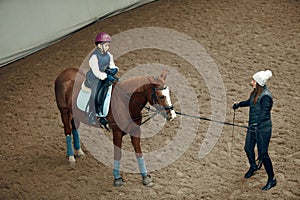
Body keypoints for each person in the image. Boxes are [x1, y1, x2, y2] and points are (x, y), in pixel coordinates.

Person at [232, 70, 276, 191]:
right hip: (253, 127)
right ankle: (253, 166)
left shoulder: (266, 96)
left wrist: (256, 124)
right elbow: (251, 103)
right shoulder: (255, 93)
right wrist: (239, 104)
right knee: (248, 148)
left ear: (257, 83)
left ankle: (272, 179)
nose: (251, 82)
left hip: (263, 129)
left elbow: (264, 112)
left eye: (253, 80)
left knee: (263, 154)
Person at [85, 32, 119, 124]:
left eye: (108, 45)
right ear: (99, 46)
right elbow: (96, 72)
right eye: (106, 45)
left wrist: (114, 70)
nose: (108, 47)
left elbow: (112, 65)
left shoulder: (109, 55)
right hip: (95, 78)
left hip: (106, 75)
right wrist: (106, 76)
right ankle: (93, 113)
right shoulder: (94, 57)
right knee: (96, 92)